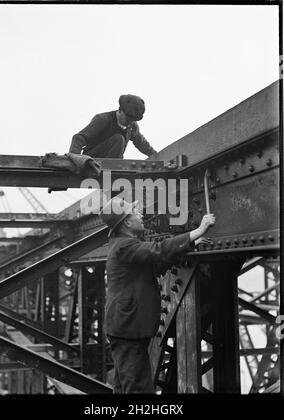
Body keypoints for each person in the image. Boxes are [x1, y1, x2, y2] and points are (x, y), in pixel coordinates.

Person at [99, 196, 216, 393]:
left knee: (125, 386)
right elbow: (158, 250)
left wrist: (191, 244)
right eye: (135, 213)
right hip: (128, 328)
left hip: (127, 327)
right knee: (138, 389)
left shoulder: (126, 244)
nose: (141, 215)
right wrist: (197, 231)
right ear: (127, 222)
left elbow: (157, 263)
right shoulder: (124, 246)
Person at [69, 94, 158, 159]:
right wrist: (76, 159)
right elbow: (79, 138)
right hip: (93, 158)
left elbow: (141, 142)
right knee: (119, 139)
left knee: (120, 141)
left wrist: (155, 155)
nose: (129, 122)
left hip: (114, 163)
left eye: (132, 120)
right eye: (127, 118)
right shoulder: (103, 119)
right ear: (120, 110)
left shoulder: (132, 126)